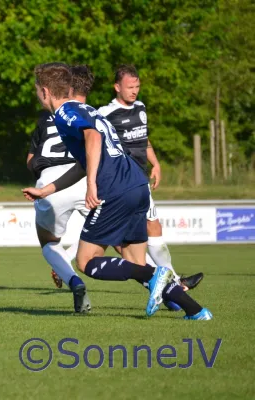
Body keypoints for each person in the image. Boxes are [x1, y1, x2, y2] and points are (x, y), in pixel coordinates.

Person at [22, 63, 212, 320]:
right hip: (136, 183)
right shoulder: (85, 108)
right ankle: (196, 311)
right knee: (136, 261)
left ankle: (157, 275)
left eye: (36, 90)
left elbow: (94, 139)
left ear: (45, 91)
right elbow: (83, 161)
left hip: (114, 188)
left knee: (86, 262)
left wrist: (92, 185)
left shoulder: (65, 112)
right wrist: (46, 191)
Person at [98, 65, 204, 303]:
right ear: (117, 87)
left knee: (152, 230)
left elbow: (143, 138)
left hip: (140, 181)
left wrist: (155, 164)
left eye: (137, 87)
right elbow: (93, 144)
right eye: (130, 87)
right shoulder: (104, 113)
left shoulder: (141, 108)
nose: (134, 91)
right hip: (119, 184)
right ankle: (173, 288)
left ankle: (173, 287)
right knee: (120, 245)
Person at [26, 65, 93, 313]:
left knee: (48, 242)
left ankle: (74, 281)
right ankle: (168, 289)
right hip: (84, 176)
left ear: (45, 92)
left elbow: (30, 160)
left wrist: (40, 173)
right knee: (124, 241)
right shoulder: (87, 113)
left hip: (52, 182)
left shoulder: (44, 119)